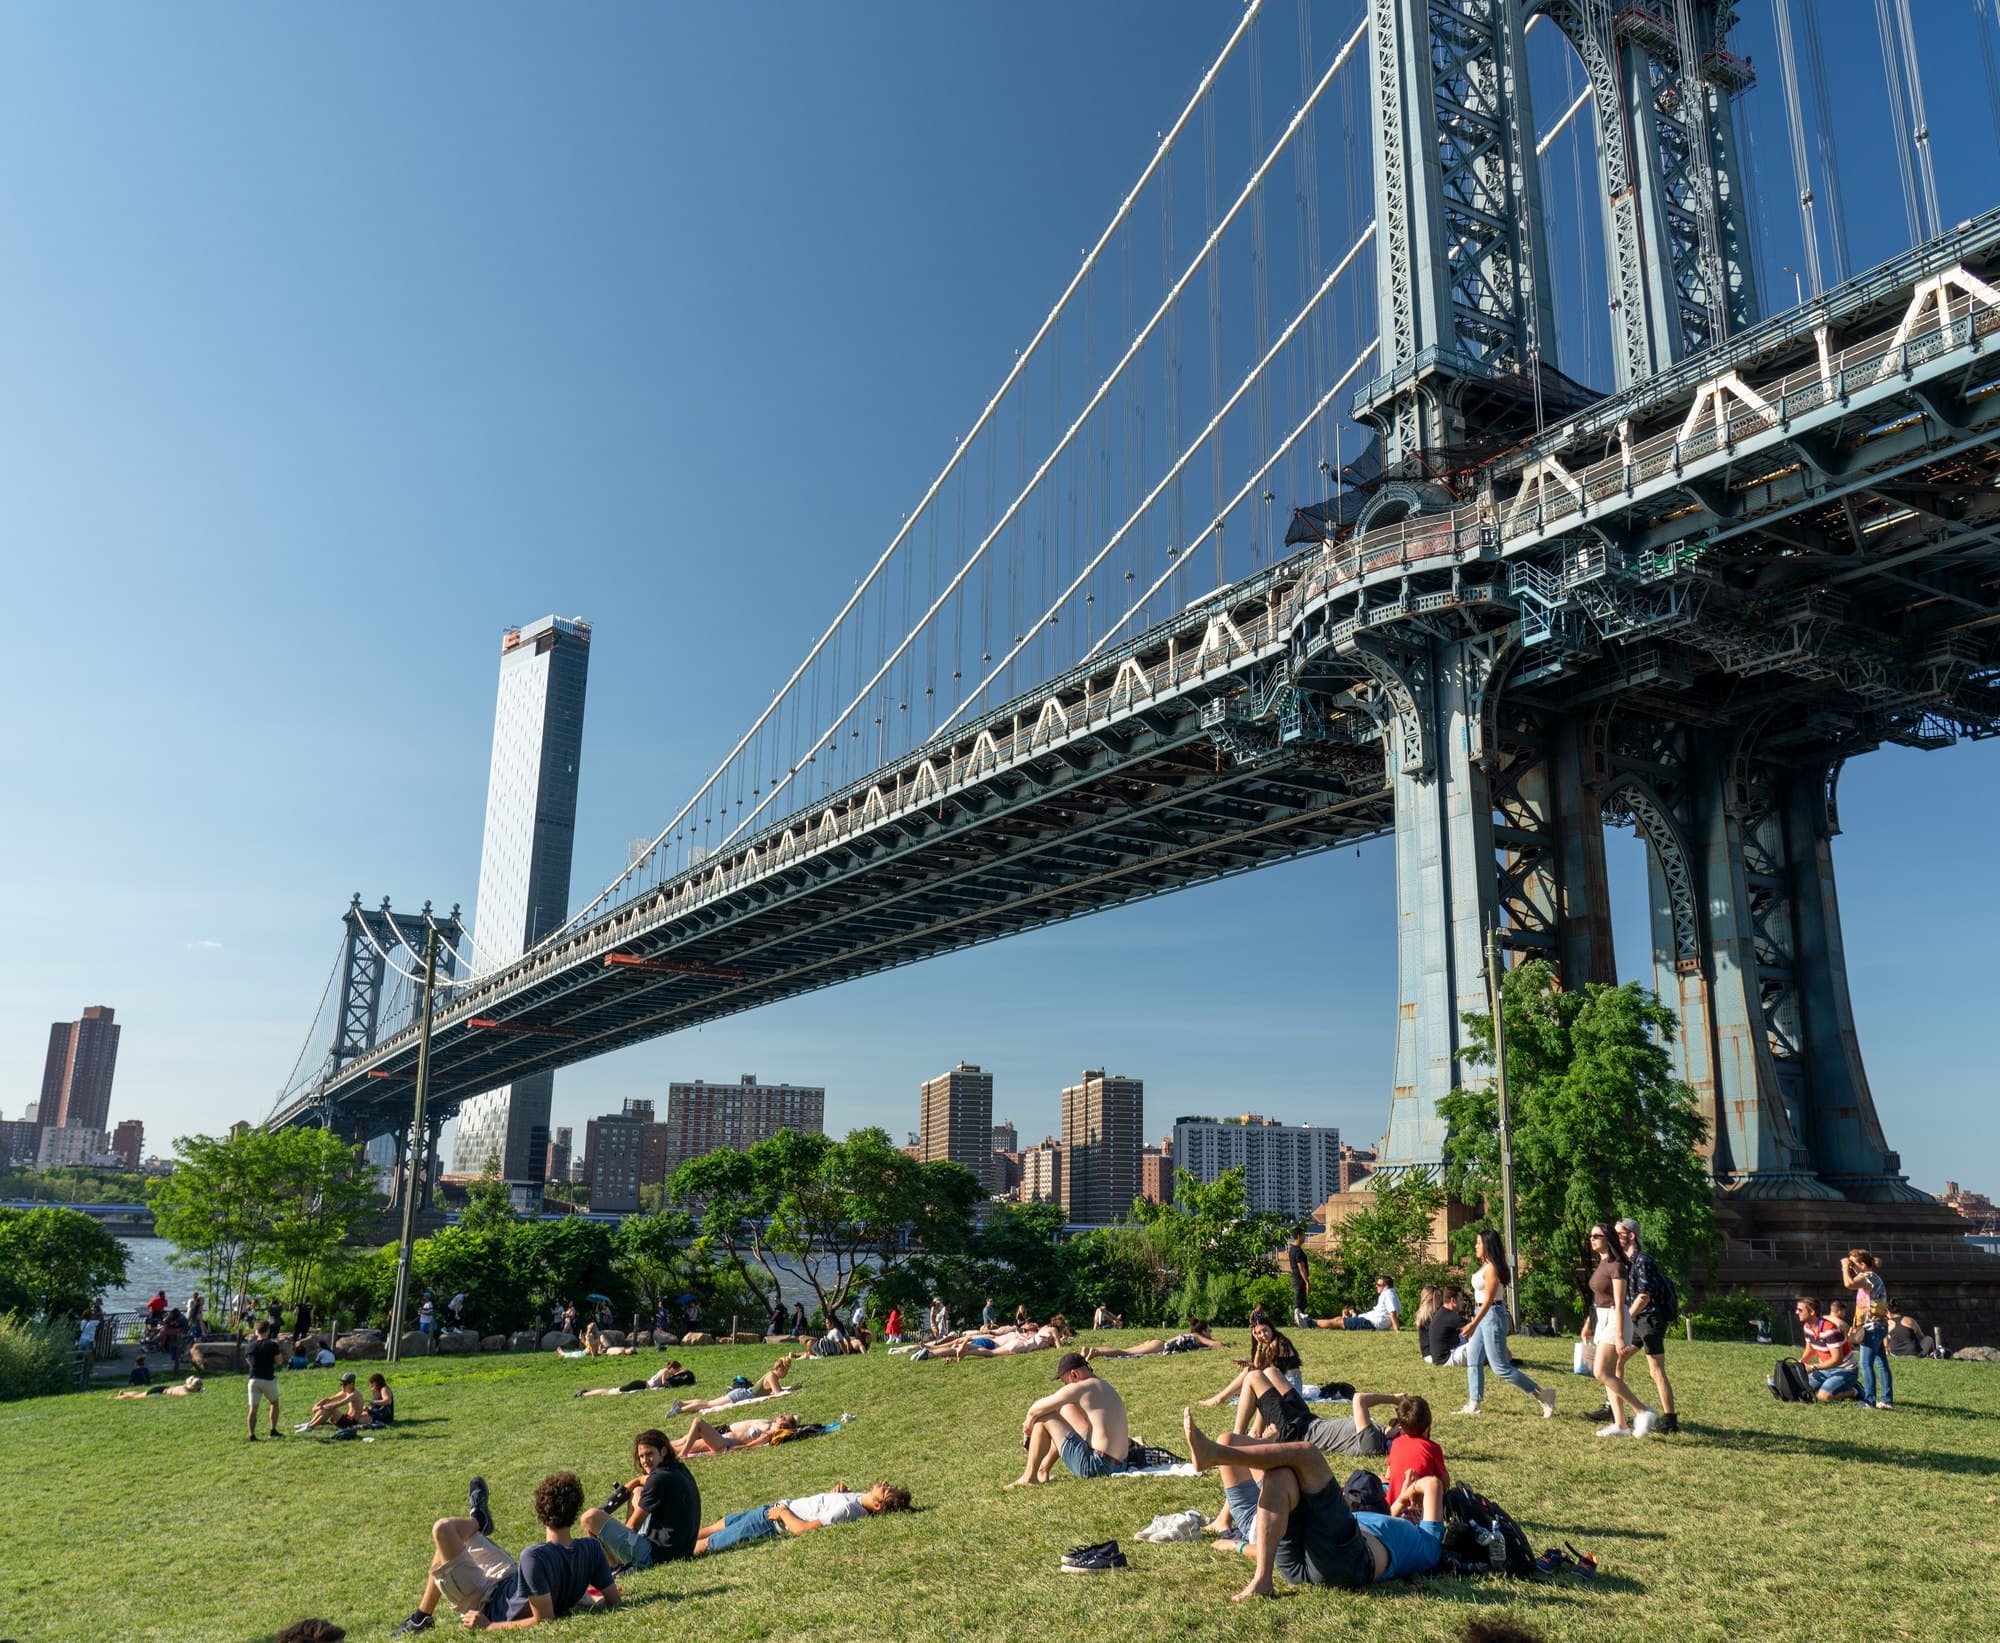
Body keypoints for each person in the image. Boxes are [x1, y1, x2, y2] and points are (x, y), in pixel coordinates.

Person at [1183, 1409, 1447, 1599]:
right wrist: (1403, 1501)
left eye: (1421, 1514)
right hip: (1302, 1565)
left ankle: (1216, 1455)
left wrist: (1411, 1491)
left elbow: (1433, 1484)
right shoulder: (1397, 1524)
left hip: (1351, 1560)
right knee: (1280, 1475)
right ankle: (1263, 1579)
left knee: (1307, 1453)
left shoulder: (1430, 1544)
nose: (1417, 1512)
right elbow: (1428, 1488)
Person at [390, 1473, 620, 1634]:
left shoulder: (534, 1556)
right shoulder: (592, 1549)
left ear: (539, 1513)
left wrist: (489, 1626)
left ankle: (420, 1618)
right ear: (576, 1509)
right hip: (508, 1577)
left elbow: (544, 1619)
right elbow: (613, 1602)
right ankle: (479, 1519)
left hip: (482, 1601)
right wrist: (585, 1599)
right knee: (454, 1532)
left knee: (443, 1530)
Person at [1457, 1228, 1557, 1420]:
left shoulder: (1492, 1268)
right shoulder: (1484, 1266)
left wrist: (1473, 1323)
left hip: (1491, 1315)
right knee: (1474, 1359)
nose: (1475, 1246)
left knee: (1500, 1367)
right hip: (1482, 1313)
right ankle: (1474, 1404)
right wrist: (1475, 1319)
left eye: (1478, 1243)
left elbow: (1489, 1300)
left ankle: (1543, 1395)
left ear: (1487, 1245)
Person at [579, 1428, 702, 1572]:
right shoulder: (678, 1469)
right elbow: (644, 1480)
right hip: (681, 1550)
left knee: (589, 1518)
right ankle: (616, 1564)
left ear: (663, 1451)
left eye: (649, 1454)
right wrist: (635, 1482)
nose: (645, 1461)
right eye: (641, 1456)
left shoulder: (657, 1480)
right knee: (638, 1491)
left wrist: (609, 1535)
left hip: (656, 1557)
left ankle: (613, 1568)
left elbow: (632, 1527)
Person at [1008, 1351, 1133, 1488]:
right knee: (1064, 1409)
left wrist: (1027, 1431)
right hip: (1120, 1463)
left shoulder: (1080, 1387)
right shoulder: (1103, 1385)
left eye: (1064, 1381)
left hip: (1097, 1466)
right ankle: (1043, 1470)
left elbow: (1033, 1411)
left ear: (1074, 1374)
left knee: (1045, 1418)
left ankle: (1029, 1477)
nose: (1065, 1386)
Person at [693, 1481, 911, 1555]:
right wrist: (837, 1493)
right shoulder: (856, 1499)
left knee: (713, 1542)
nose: (884, 1485)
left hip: (771, 1522)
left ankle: (668, 1552)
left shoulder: (848, 1510)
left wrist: (783, 1514)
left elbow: (804, 1529)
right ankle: (671, 1539)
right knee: (721, 1524)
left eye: (885, 1490)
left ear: (877, 1505)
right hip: (774, 1508)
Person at [1580, 1221, 1651, 1436]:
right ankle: (1620, 1424)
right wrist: (1589, 1324)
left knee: (1601, 1372)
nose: (1592, 1239)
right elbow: (1598, 1299)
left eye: (1597, 1236)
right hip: (1603, 1319)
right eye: (1591, 1236)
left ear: (1608, 1239)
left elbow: (1620, 1303)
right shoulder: (1602, 1263)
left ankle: (1642, 1410)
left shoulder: (1617, 1265)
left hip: (1615, 1319)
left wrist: (1620, 1336)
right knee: (1608, 1374)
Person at [1617, 1218, 1680, 1433]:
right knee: (1618, 1359)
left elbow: (1644, 1295)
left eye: (1618, 1234)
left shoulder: (1643, 1261)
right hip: (1636, 1320)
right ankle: (1614, 1407)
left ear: (1631, 1236)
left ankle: (1670, 1420)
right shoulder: (1626, 1262)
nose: (1614, 1239)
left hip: (1650, 1319)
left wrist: (1625, 1318)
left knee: (1656, 1371)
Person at [1841, 1248, 1894, 1409]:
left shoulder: (1867, 1276)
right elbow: (1863, 1304)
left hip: (1872, 1327)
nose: (1851, 1268)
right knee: (1881, 1363)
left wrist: (1844, 1267)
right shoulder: (1874, 1277)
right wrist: (1855, 1324)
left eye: (1853, 1265)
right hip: (1878, 1325)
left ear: (1863, 1265)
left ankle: (1869, 1400)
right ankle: (1886, 1400)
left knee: (1865, 1363)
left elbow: (1848, 1284)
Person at [1797, 1298, 1858, 1401]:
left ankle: (1854, 1391)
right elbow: (1810, 1351)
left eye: (1800, 1310)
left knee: (1823, 1396)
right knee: (1802, 1389)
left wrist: (1812, 1367)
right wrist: (1799, 1364)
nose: (1796, 1312)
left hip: (1845, 1369)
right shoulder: (1807, 1327)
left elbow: (1837, 1360)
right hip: (1826, 1369)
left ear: (1812, 1312)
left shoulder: (1830, 1330)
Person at [669, 1413, 801, 1457]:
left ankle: (683, 1454)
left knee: (698, 1423)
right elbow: (797, 1418)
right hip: (723, 1439)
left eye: (783, 1417)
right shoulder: (770, 1426)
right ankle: (658, 1447)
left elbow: (754, 1444)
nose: (780, 1416)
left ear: (784, 1424)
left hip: (725, 1443)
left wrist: (742, 1448)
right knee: (679, 1444)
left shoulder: (770, 1432)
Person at [1305, 1275, 1400, 1331]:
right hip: (1368, 1320)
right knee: (1339, 1318)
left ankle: (1309, 1322)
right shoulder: (1389, 1294)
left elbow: (1392, 1313)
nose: (1376, 1286)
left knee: (1338, 1322)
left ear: (1386, 1286)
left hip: (1371, 1323)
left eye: (1379, 1285)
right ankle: (1311, 1322)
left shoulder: (1388, 1294)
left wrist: (1397, 1330)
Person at [1084, 1320, 1222, 1358]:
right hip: (1161, 1346)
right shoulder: (1198, 1337)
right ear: (1203, 1331)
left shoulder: (1192, 1336)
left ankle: (1093, 1351)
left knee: (1126, 1351)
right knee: (1126, 1352)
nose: (1210, 1333)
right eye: (1209, 1330)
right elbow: (1215, 1344)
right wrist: (1225, 1344)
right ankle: (1096, 1352)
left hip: (1158, 1343)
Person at [246, 1321, 284, 1441]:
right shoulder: (272, 1345)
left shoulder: (250, 1346)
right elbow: (279, 1361)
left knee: (253, 1408)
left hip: (253, 1379)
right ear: (267, 1330)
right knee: (274, 1403)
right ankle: (273, 1431)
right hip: (268, 1378)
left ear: (257, 1331)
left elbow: (248, 1360)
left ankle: (252, 1434)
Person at [577, 1360, 693, 1398]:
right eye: (676, 1370)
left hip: (641, 1383)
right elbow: (664, 1383)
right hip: (641, 1385)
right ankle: (585, 1394)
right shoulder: (666, 1372)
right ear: (672, 1368)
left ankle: (587, 1393)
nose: (676, 1373)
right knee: (611, 1392)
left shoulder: (665, 1370)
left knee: (612, 1390)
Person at [299, 1371, 365, 1432]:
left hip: (351, 1423)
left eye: (344, 1384)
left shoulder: (354, 1395)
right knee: (329, 1407)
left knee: (331, 1408)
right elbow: (329, 1399)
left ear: (351, 1384)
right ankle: (309, 1424)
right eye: (341, 1384)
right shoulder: (346, 1392)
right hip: (345, 1419)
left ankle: (310, 1427)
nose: (342, 1386)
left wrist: (320, 1408)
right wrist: (317, 1404)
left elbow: (338, 1404)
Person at [1424, 1288, 1466, 1367]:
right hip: (1446, 1359)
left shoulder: (1442, 1313)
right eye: (1460, 1299)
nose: (1462, 1302)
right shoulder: (1451, 1316)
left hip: (1440, 1358)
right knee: (1477, 1343)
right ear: (1453, 1301)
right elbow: (1476, 1328)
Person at [1286, 1227, 1311, 1326]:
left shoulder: (1292, 1249)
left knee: (1302, 1302)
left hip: (1295, 1277)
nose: (1305, 1237)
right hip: (1298, 1278)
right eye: (1303, 1235)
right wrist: (1307, 1282)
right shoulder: (1297, 1251)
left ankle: (1301, 1321)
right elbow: (1301, 1267)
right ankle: (1296, 1320)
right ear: (1299, 1236)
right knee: (1299, 1301)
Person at [111, 1375, 204, 1400]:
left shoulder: (184, 1387)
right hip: (158, 1392)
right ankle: (114, 1399)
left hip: (162, 1388)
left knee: (141, 1393)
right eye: (199, 1388)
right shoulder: (183, 1390)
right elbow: (187, 1396)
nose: (199, 1390)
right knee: (136, 1397)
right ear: (194, 1388)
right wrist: (200, 1395)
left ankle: (124, 1393)